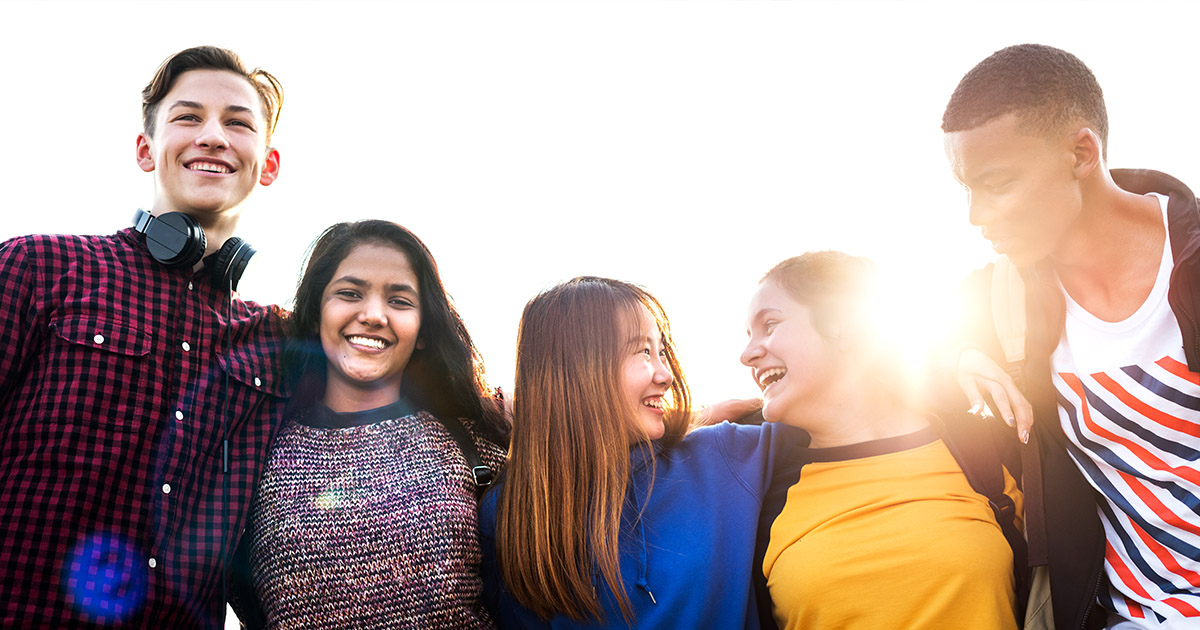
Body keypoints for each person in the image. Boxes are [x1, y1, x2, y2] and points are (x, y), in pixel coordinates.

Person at [0, 46, 287, 627]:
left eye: (237, 122)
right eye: (187, 117)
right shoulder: (37, 267)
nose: (212, 135)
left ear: (269, 163)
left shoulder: (279, 342)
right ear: (144, 150)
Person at [943, 44, 1200, 629]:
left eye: (998, 182)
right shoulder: (1001, 301)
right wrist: (957, 354)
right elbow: (888, 350)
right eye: (967, 188)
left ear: (1082, 153)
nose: (976, 215)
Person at [479, 276, 800, 629]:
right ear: (576, 369)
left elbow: (840, 414)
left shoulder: (724, 456)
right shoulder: (512, 512)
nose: (666, 375)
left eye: (662, 352)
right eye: (644, 352)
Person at [232, 220, 509, 629]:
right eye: (349, 293)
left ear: (424, 332)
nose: (374, 315)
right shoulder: (257, 451)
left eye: (399, 301)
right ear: (314, 316)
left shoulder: (474, 443)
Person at [744, 251, 1024, 630]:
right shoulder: (758, 493)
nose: (747, 354)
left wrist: (958, 352)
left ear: (841, 326)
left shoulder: (981, 451)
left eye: (770, 324)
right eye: (749, 336)